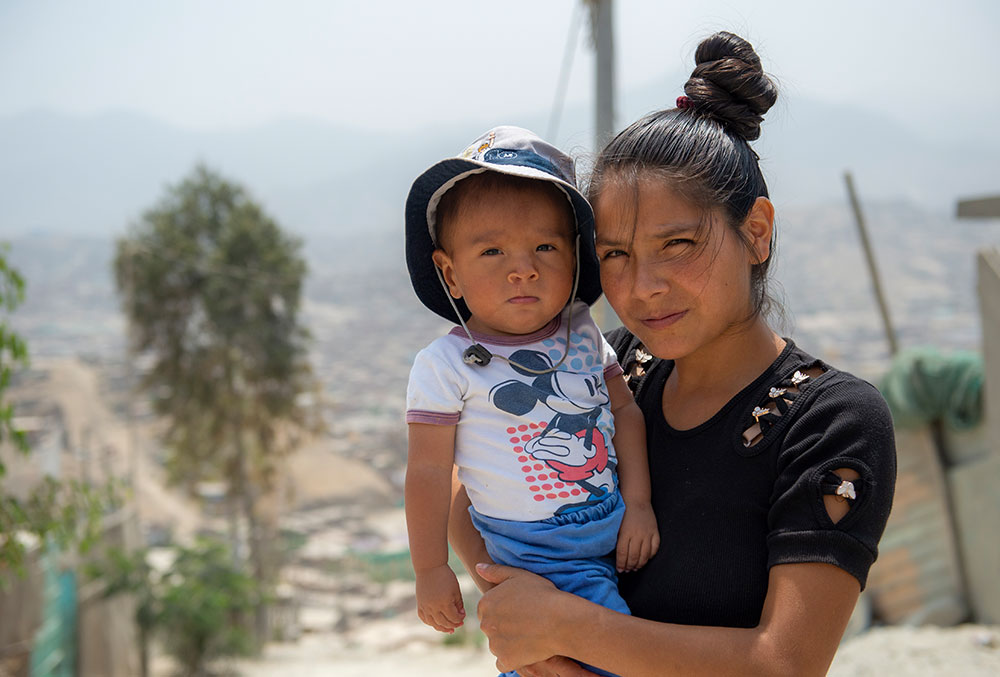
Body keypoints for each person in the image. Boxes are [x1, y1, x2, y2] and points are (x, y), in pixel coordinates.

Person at [457, 32, 897, 676]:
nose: (642, 288)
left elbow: (786, 664)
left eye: (678, 244)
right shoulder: (611, 367)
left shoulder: (829, 421)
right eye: (615, 254)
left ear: (756, 232)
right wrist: (515, 610)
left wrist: (566, 628)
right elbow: (467, 471)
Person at [403, 127, 660, 677]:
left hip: (610, 525)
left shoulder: (583, 331)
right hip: (538, 555)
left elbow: (624, 413)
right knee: (586, 662)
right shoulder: (444, 367)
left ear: (574, 257)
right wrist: (430, 569)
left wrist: (638, 503)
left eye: (545, 246)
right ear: (450, 271)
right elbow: (428, 470)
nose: (523, 268)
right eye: (491, 250)